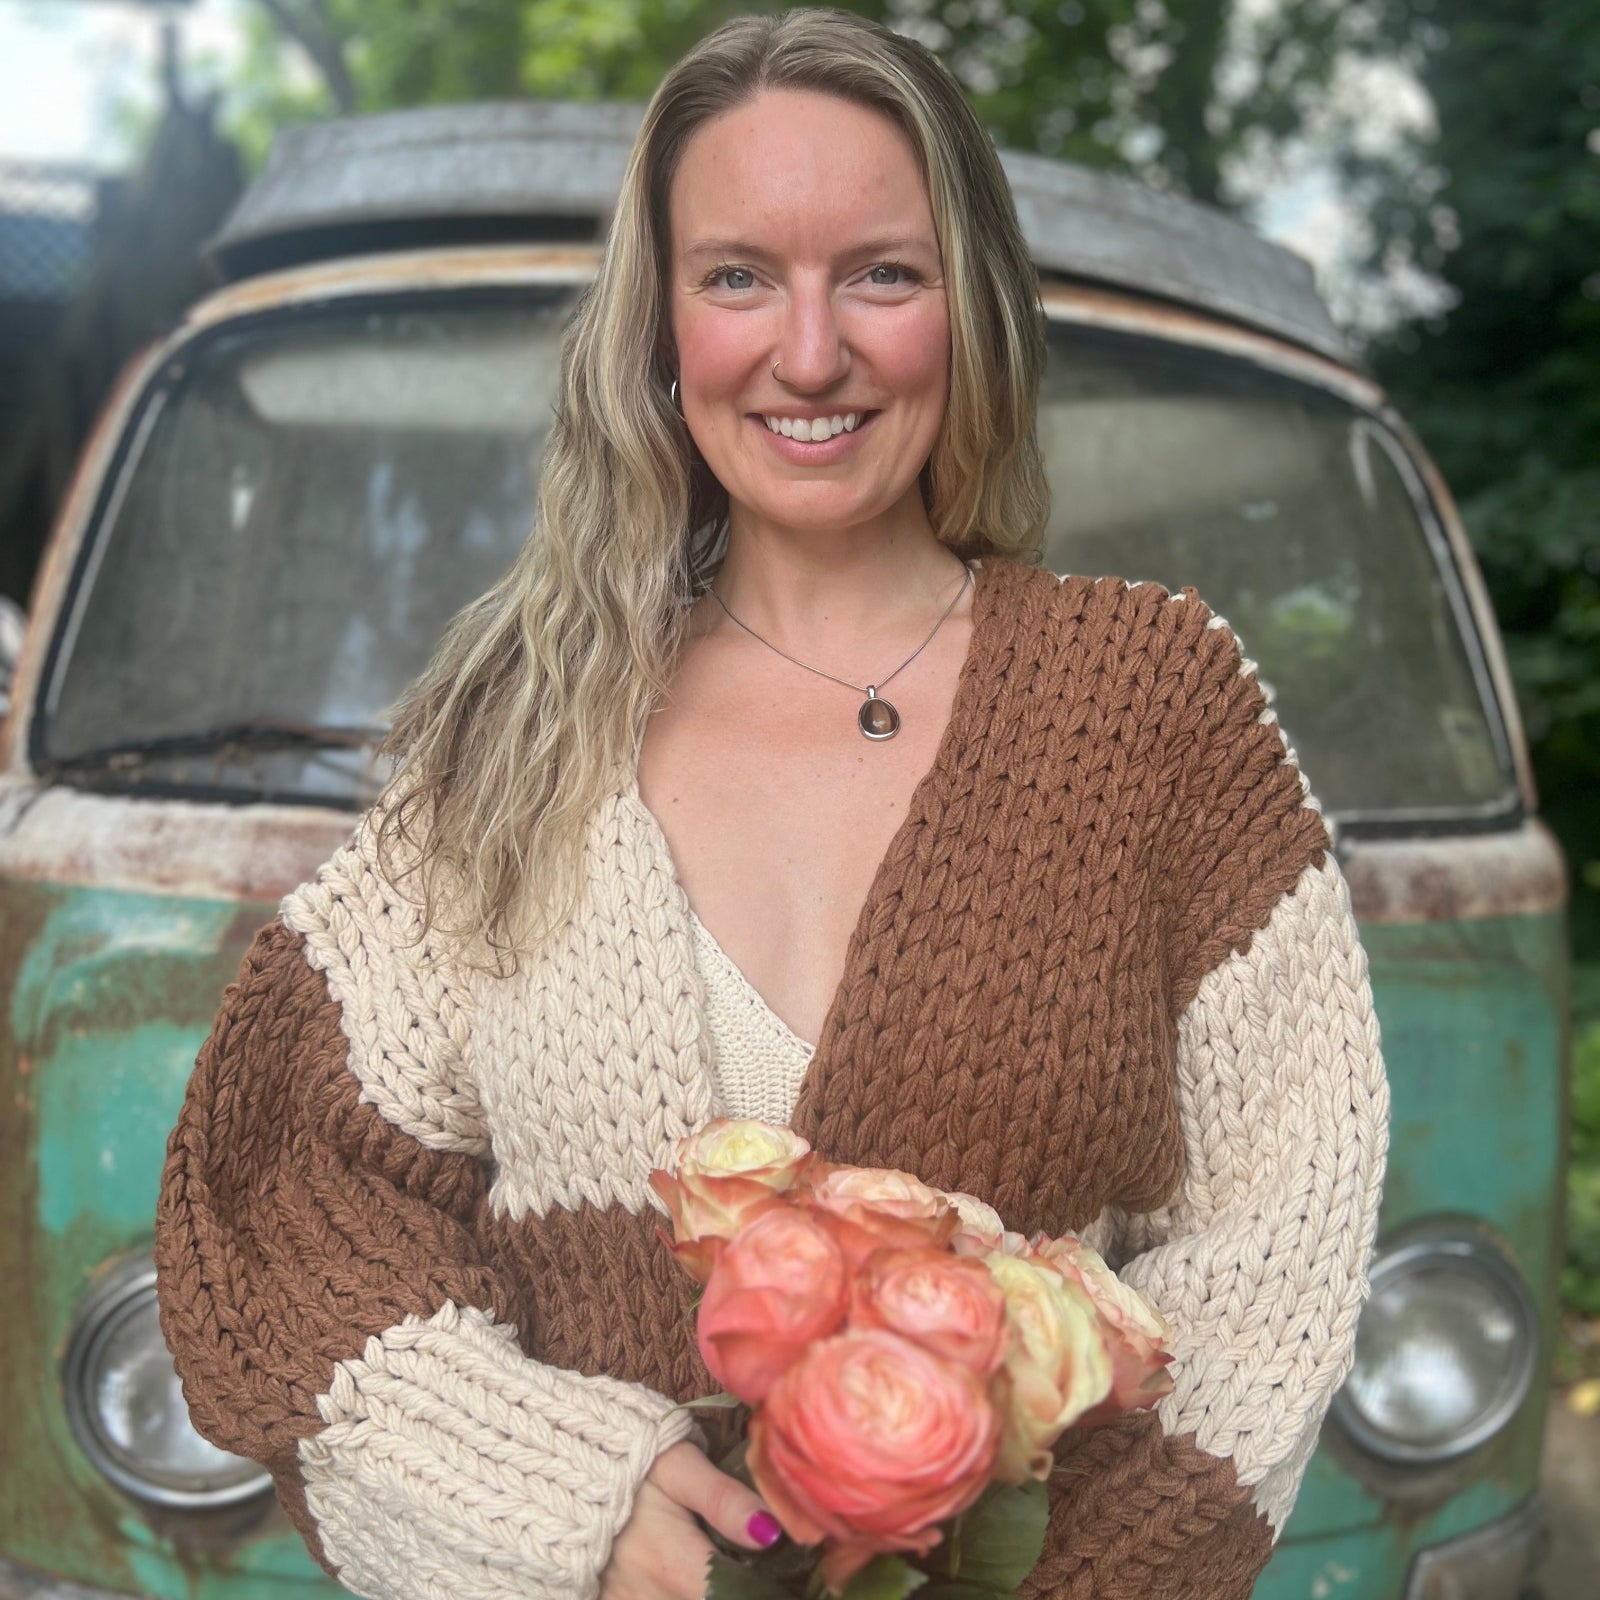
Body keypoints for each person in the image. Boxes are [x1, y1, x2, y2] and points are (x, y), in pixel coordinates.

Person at [153, 10, 1388, 1600]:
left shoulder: (1151, 707)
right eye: (738, 275)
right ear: (660, 325)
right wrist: (551, 1496)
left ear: (972, 307)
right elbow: (286, 1183)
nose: (811, 352)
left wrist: (1092, 1579)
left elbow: (1272, 1235)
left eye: (881, 271)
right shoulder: (520, 734)